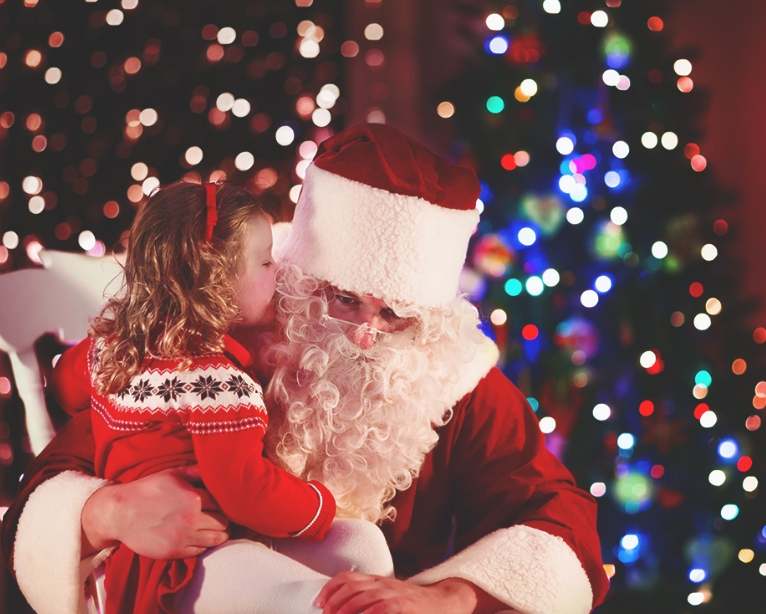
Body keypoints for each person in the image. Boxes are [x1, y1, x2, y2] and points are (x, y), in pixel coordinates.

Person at [3, 124, 610, 614]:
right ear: (296, 277)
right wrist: (108, 513)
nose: (368, 335)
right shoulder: (214, 336)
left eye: (396, 313)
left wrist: (445, 598)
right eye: (344, 300)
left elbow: (560, 516)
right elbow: (55, 475)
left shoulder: (447, 373)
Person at [41, 180, 393, 614]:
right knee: (308, 600)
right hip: (180, 559)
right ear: (215, 281)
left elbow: (62, 387)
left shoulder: (109, 348)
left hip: (209, 541)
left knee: (362, 544)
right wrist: (319, 502)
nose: (279, 272)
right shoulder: (216, 381)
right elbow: (247, 490)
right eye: (265, 263)